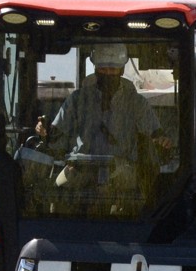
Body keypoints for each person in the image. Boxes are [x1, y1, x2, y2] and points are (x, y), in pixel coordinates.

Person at [34, 43, 166, 187]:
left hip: (122, 169)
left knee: (129, 193)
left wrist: (161, 141)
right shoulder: (78, 99)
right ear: (96, 69)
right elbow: (56, 138)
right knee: (54, 192)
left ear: (121, 70)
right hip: (79, 167)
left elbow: (155, 135)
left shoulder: (137, 103)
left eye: (112, 69)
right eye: (103, 69)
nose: (108, 74)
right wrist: (44, 131)